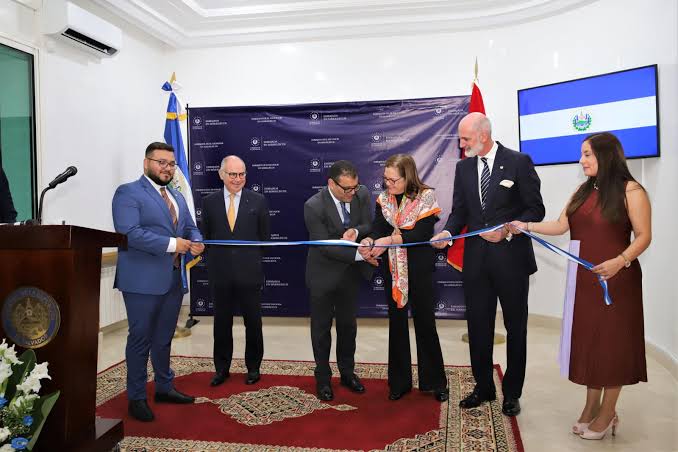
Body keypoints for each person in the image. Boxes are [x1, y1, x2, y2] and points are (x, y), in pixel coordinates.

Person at [509, 132, 651, 439]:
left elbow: (643, 236)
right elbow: (561, 225)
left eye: (587, 154)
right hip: (585, 281)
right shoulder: (583, 190)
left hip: (616, 280)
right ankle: (590, 407)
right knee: (591, 344)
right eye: (582, 154)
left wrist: (620, 261)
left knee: (612, 347)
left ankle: (608, 413)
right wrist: (525, 226)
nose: (581, 160)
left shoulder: (632, 190)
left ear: (606, 155)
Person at [431, 112, 545, 416]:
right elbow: (460, 212)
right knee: (478, 327)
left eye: (465, 138)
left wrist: (507, 229)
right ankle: (483, 387)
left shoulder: (519, 162)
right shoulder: (464, 168)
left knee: (515, 328)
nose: (461, 144)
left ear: (483, 135)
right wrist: (447, 233)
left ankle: (512, 393)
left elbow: (536, 209)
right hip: (476, 263)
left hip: (512, 261)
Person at [112, 142, 204, 422]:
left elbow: (191, 227)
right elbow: (129, 233)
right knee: (140, 339)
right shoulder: (128, 192)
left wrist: (196, 241)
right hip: (141, 281)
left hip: (173, 280)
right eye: (161, 162)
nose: (167, 168)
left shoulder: (177, 195)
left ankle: (164, 387)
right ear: (146, 163)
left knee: (163, 339)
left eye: (171, 164)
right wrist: (174, 244)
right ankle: (137, 397)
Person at [361, 154, 449, 402]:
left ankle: (434, 382)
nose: (388, 184)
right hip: (394, 269)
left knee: (425, 323)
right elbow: (378, 227)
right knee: (397, 324)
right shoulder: (384, 199)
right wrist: (370, 240)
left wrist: (388, 240)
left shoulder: (426, 197)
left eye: (394, 180)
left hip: (419, 268)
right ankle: (399, 382)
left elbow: (420, 234)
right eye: (385, 179)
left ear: (407, 177)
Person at [304, 160, 377, 401]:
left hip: (349, 275)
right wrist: (360, 255)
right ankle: (323, 378)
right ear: (331, 184)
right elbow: (324, 245)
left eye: (355, 187)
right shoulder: (313, 206)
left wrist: (356, 232)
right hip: (323, 275)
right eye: (346, 189)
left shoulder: (361, 193)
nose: (352, 193)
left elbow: (368, 224)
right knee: (321, 329)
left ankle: (347, 373)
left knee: (348, 327)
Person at [200, 155, 270, 387]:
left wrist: (248, 261)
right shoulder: (209, 202)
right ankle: (222, 369)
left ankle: (253, 367)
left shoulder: (258, 201)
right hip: (220, 275)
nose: (238, 179)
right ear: (221, 174)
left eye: (242, 174)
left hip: (249, 274)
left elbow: (264, 238)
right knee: (221, 324)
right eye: (232, 174)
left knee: (253, 323)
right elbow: (207, 238)